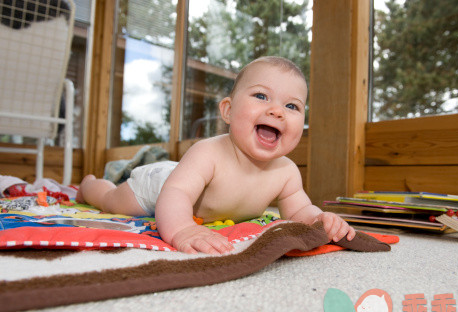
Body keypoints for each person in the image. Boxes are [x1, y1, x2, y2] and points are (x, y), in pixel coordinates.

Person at [76, 56, 356, 254]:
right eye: (261, 96)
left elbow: (298, 211)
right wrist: (182, 229)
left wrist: (320, 219)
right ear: (228, 111)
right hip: (162, 185)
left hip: (187, 187)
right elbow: (178, 194)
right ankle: (90, 186)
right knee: (112, 202)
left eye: (292, 106)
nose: (277, 110)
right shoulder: (208, 152)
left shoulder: (286, 171)